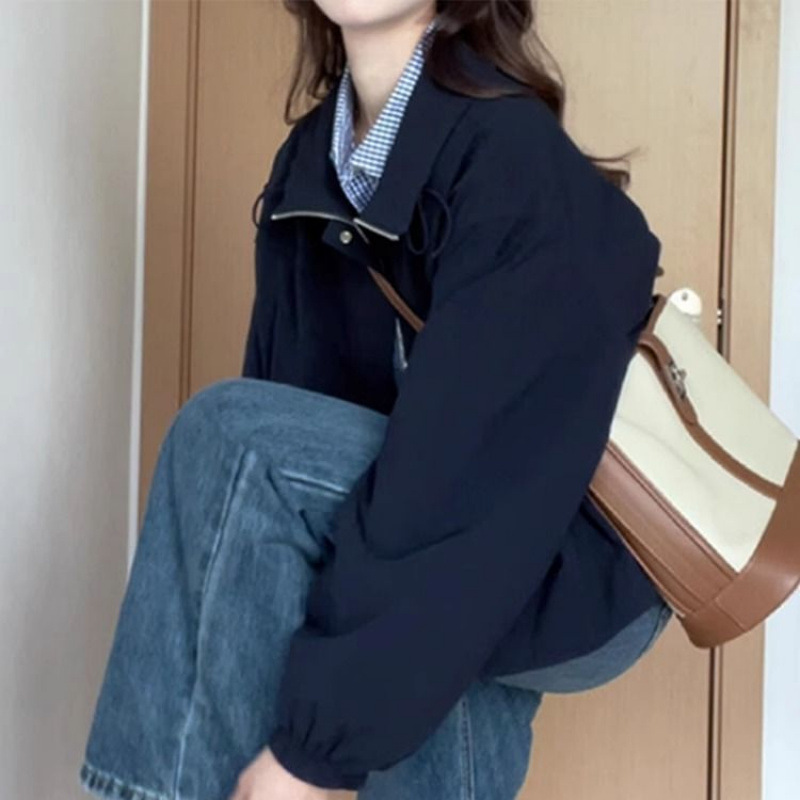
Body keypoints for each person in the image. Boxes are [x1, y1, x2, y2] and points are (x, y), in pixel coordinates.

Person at [78, 2, 673, 799]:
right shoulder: (308, 165)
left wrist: (309, 755)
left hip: (563, 555)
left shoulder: (513, 158)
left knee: (235, 444)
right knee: (296, 510)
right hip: (426, 528)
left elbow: (476, 482)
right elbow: (291, 482)